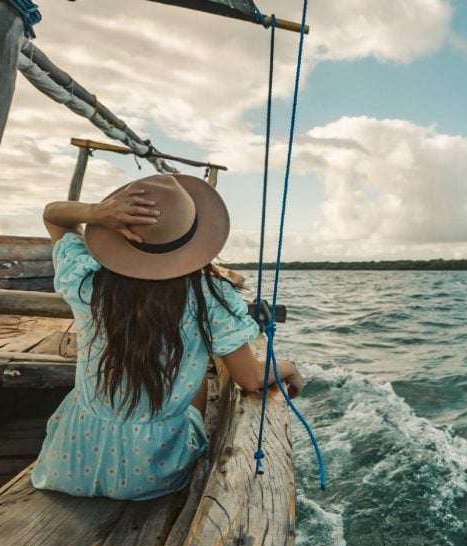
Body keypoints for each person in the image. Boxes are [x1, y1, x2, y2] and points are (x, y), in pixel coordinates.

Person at [32, 174, 303, 500]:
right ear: (195, 242)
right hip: (152, 471)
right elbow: (250, 378)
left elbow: (53, 215)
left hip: (71, 460)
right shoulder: (210, 296)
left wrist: (98, 212)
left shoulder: (86, 280)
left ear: (121, 232)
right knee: (198, 367)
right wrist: (287, 366)